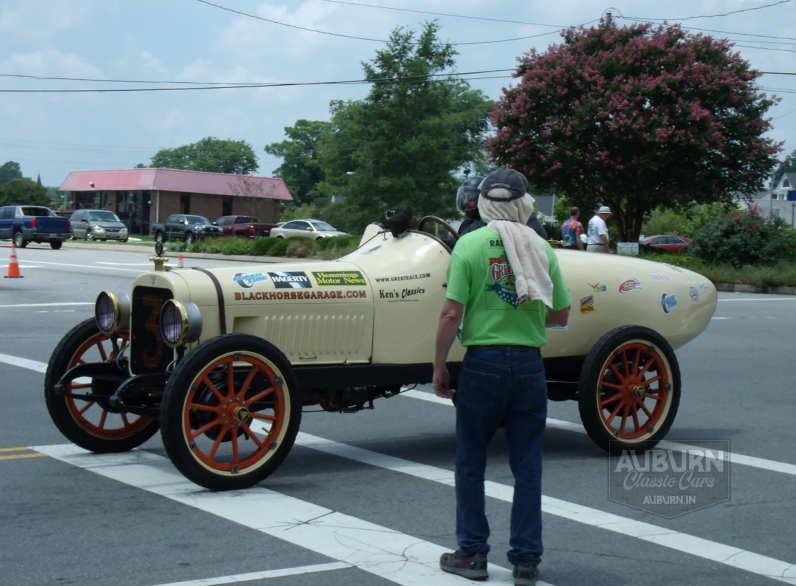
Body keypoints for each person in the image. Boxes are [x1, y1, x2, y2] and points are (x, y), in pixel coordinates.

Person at [433, 168, 571, 586]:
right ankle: (526, 561)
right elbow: (560, 313)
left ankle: (472, 554)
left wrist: (439, 365)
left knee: (471, 461)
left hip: (483, 364)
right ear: (524, 204)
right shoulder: (540, 246)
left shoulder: (469, 244)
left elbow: (451, 313)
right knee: (527, 465)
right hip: (529, 365)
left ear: (486, 202)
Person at [454, 174, 547, 241]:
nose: (465, 202)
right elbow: (456, 243)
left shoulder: (532, 227)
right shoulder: (469, 224)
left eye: (471, 198)